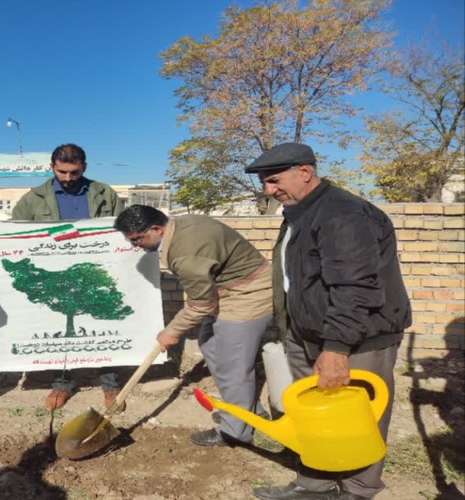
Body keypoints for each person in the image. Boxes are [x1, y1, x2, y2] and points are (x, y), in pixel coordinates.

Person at [245, 143, 412, 500]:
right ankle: (315, 484)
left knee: (360, 414)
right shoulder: (302, 213)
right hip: (309, 334)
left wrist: (336, 349)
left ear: (304, 172)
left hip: (356, 338)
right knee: (314, 415)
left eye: (273, 180)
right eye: (264, 183)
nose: (269, 191)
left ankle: (359, 489)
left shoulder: (342, 214)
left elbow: (354, 288)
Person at [113, 205, 273, 446]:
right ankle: (247, 411)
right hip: (228, 292)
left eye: (137, 239)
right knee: (210, 345)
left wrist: (172, 331)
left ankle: (235, 431)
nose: (136, 246)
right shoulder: (184, 224)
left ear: (156, 228)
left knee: (232, 366)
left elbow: (201, 305)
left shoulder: (185, 254)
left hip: (248, 296)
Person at [10, 143, 126, 412]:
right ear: (52, 167)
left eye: (74, 172)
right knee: (63, 329)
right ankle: (63, 383)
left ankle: (110, 385)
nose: (68, 178)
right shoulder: (33, 199)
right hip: (56, 276)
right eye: (62, 172)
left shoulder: (103, 193)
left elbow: (123, 227)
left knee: (103, 327)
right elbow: (15, 232)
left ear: (84, 167)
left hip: (97, 271)